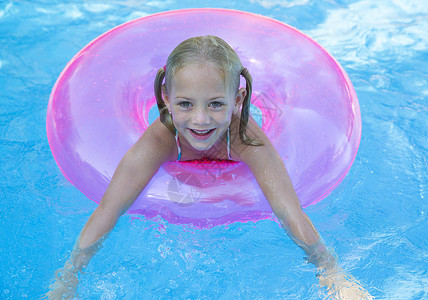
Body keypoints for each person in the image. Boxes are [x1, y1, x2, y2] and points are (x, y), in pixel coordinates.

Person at [47, 35, 372, 299]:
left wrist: (332, 273)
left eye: (216, 104)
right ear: (165, 96)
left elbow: (290, 212)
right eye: (185, 104)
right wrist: (69, 277)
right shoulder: (161, 140)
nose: (200, 120)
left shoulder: (246, 140)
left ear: (239, 99)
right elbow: (109, 208)